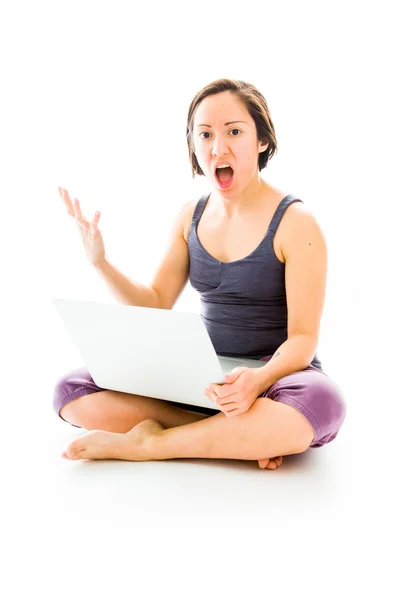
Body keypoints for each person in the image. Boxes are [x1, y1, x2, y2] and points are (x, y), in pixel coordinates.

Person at [54, 78, 347, 468]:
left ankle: (152, 443)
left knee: (323, 403)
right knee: (72, 391)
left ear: (262, 140)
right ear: (193, 145)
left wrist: (256, 382)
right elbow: (155, 302)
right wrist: (100, 262)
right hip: (203, 378)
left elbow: (303, 338)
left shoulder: (297, 223)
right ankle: (239, 436)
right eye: (205, 134)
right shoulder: (190, 216)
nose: (218, 147)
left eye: (234, 132)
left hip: (274, 379)